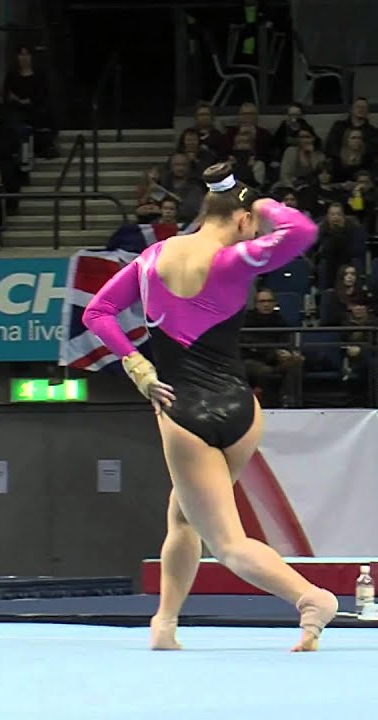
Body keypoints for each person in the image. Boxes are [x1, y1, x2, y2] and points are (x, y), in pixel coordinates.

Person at [82, 163, 337, 652]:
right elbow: (302, 229)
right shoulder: (236, 260)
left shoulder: (153, 257)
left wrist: (137, 367)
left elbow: (98, 313)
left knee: (226, 542)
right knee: (183, 517)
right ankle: (164, 624)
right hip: (242, 411)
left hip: (184, 411)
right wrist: (261, 204)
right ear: (242, 220)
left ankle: (310, 599)